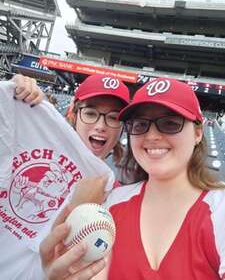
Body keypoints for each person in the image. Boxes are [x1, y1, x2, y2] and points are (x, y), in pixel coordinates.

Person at [44, 77, 225, 280]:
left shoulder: (219, 210)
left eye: (170, 123)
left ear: (198, 133)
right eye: (140, 125)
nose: (152, 136)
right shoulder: (111, 205)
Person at [0, 73, 130, 280]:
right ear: (73, 113)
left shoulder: (116, 197)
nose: (101, 125)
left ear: (122, 128)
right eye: (90, 113)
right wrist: (13, 97)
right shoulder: (37, 132)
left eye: (113, 118)